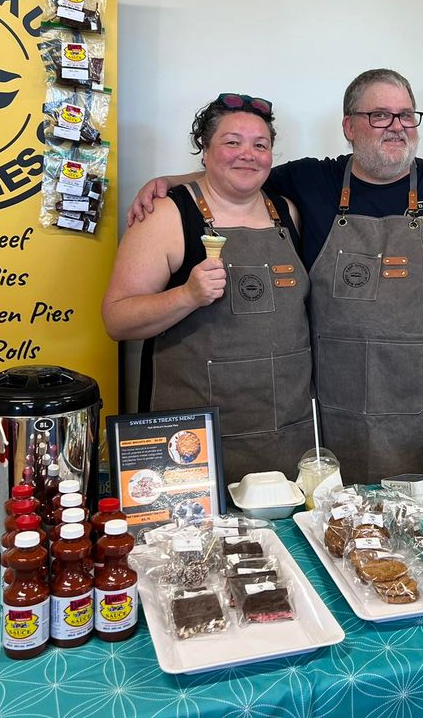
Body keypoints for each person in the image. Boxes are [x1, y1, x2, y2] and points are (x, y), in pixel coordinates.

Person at [128, 69, 423, 483]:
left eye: (406, 115)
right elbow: (239, 176)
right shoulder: (310, 181)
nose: (397, 127)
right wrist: (169, 182)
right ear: (349, 126)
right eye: (381, 115)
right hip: (337, 408)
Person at [103, 94, 314, 483]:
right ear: (205, 149)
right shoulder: (167, 214)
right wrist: (186, 296)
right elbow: (117, 320)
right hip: (192, 447)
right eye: (232, 142)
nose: (247, 154)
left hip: (286, 436)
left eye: (260, 145)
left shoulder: (288, 212)